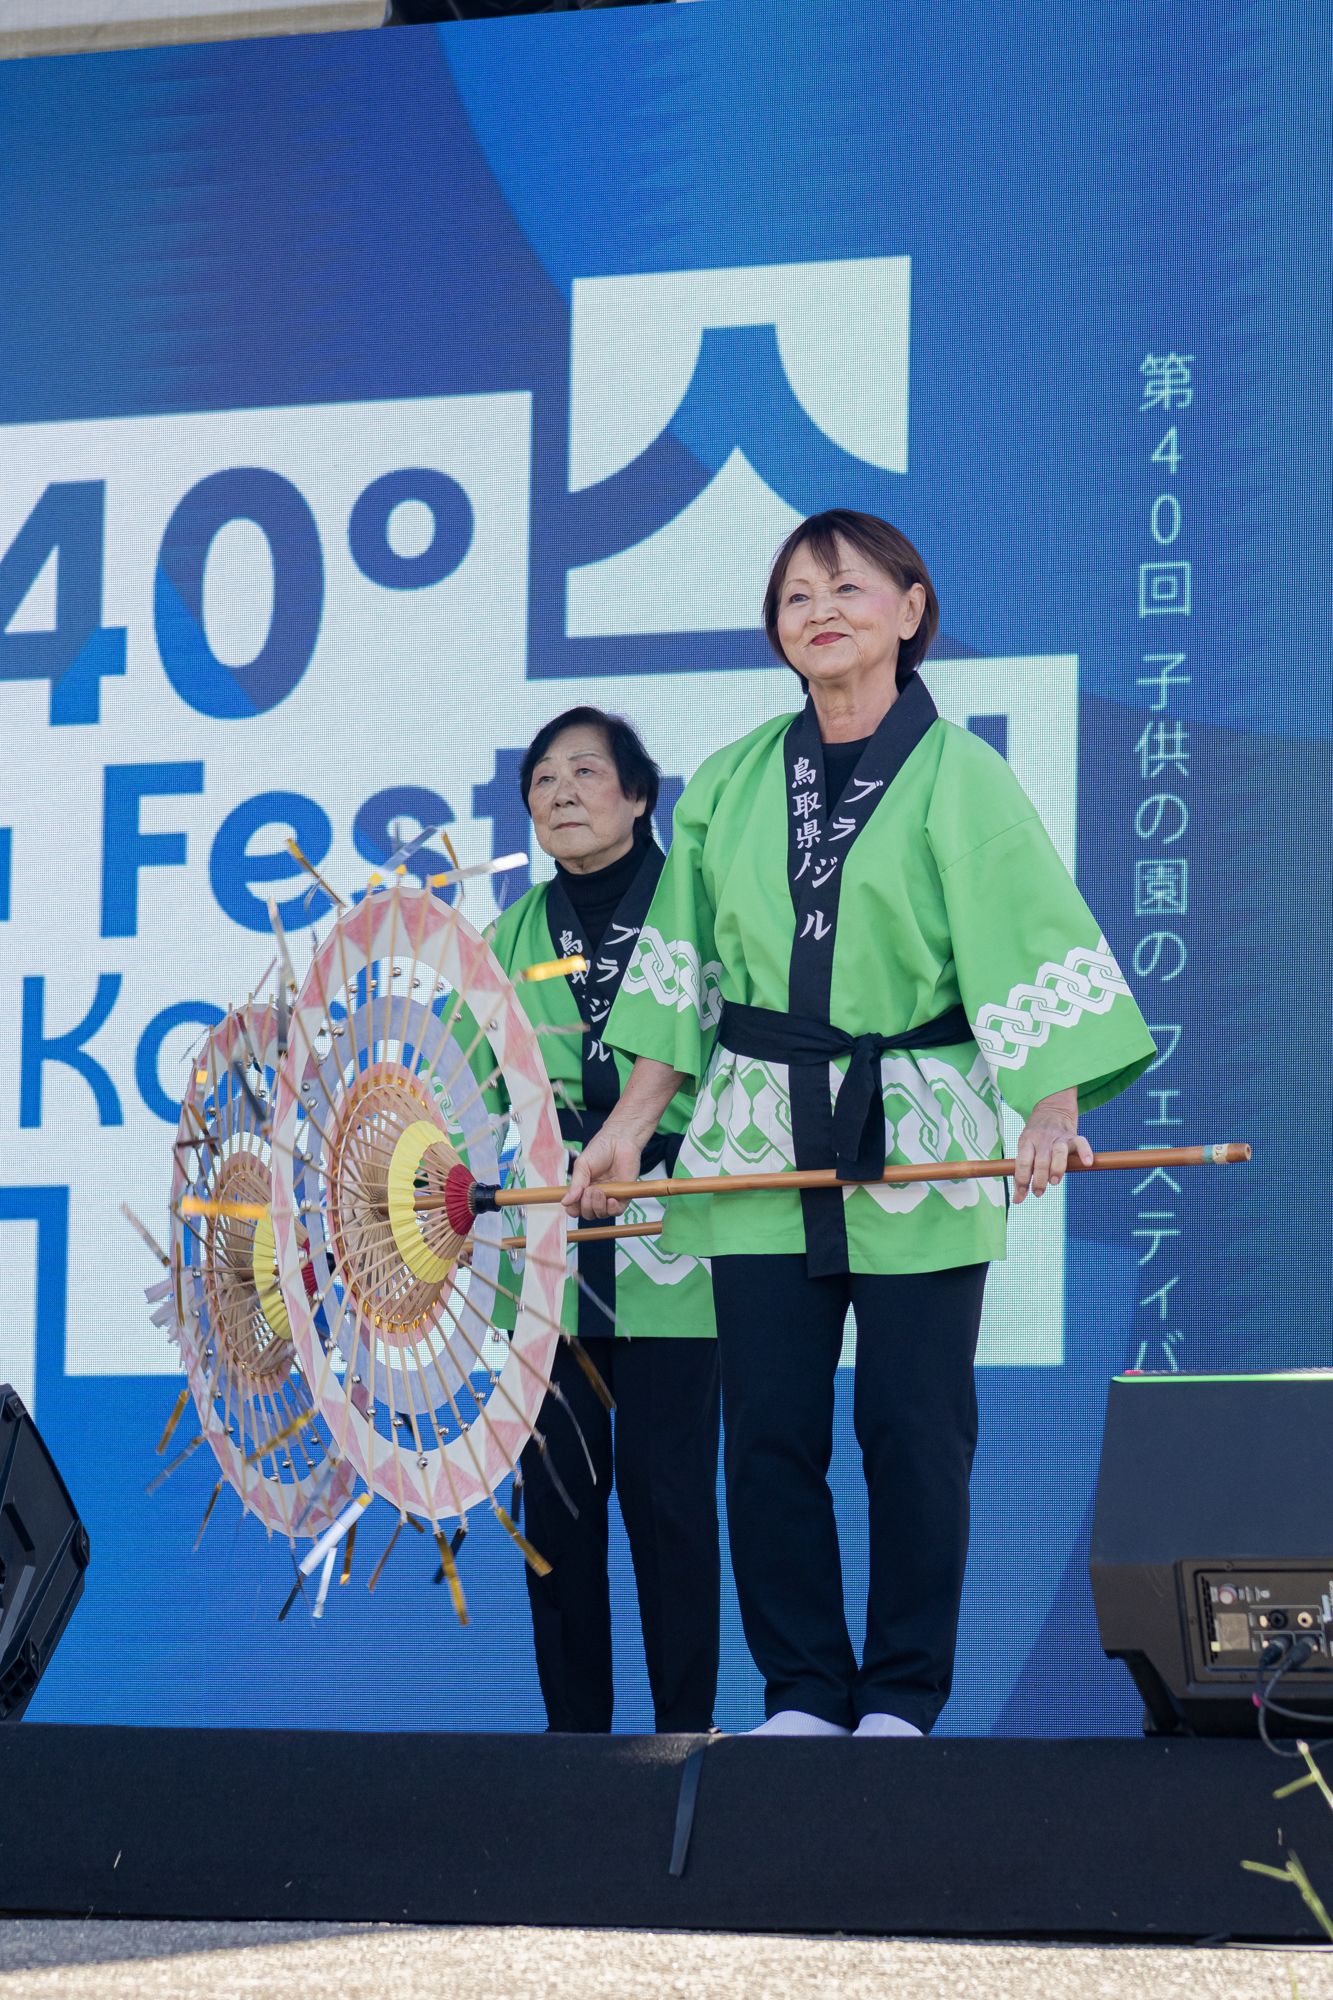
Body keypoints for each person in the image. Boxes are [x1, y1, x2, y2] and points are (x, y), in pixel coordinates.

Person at [565, 511, 1156, 1740]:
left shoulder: (960, 774)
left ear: (910, 607)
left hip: (918, 1129)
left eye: (845, 587)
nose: (819, 611)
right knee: (765, 1431)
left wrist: (1051, 1101)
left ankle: (897, 1695)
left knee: (913, 1427)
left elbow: (1027, 935)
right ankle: (800, 1692)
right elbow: (682, 972)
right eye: (794, 596)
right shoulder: (730, 780)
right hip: (757, 1134)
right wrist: (629, 1122)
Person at [480, 706, 720, 1735]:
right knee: (559, 1509)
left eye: (585, 771)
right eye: (542, 779)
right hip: (549, 1244)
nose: (561, 792)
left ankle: (684, 1740)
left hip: (677, 1228)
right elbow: (463, 1076)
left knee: (671, 1502)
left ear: (638, 795)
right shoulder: (505, 935)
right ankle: (572, 1746)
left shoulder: (698, 906)